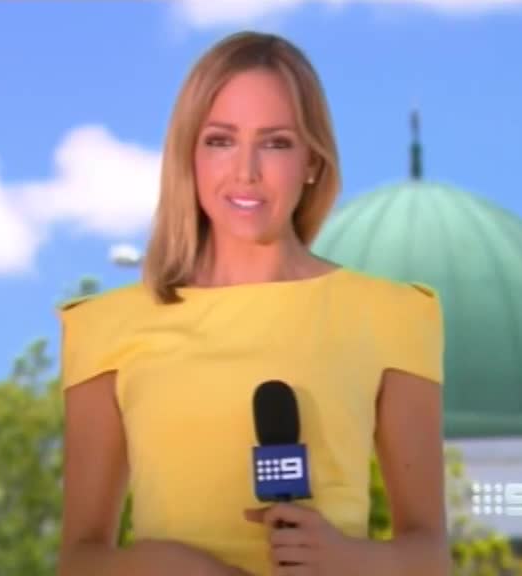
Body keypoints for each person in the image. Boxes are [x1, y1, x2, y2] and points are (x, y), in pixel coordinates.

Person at [57, 31, 448, 576]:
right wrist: (180, 569)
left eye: (276, 143)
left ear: (312, 161)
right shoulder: (104, 327)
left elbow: (430, 555)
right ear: (189, 156)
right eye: (220, 140)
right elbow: (79, 559)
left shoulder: (392, 315)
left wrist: (344, 557)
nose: (246, 171)